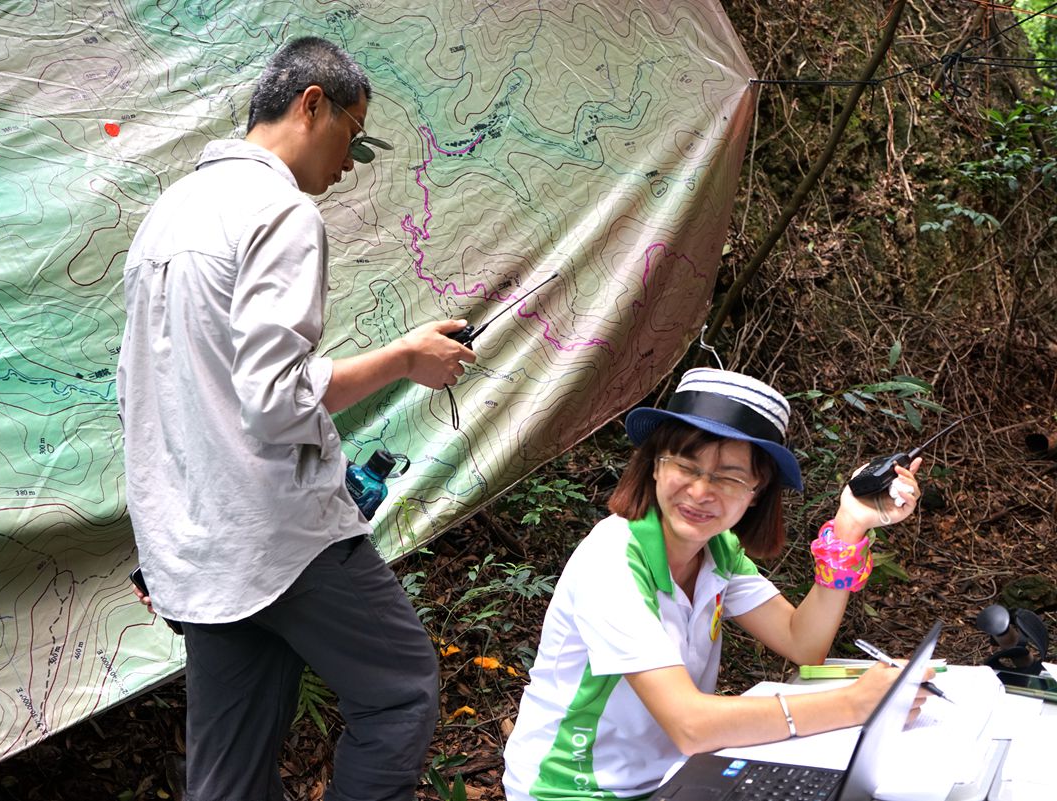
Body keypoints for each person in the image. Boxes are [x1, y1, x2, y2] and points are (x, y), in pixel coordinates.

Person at [116, 37, 475, 801]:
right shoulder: (279, 211)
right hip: (283, 537)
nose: (351, 163)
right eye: (355, 135)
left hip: (197, 546)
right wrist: (405, 358)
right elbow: (276, 398)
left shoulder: (166, 215)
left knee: (230, 778)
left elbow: (140, 396)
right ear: (312, 104)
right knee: (401, 691)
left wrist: (156, 538)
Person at [502, 367, 931, 800]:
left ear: (756, 492)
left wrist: (850, 524)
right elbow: (690, 725)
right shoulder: (612, 559)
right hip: (571, 790)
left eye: (729, 477)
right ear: (655, 466)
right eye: (686, 466)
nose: (700, 491)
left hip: (672, 778)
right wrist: (854, 704)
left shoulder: (717, 551)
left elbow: (803, 642)